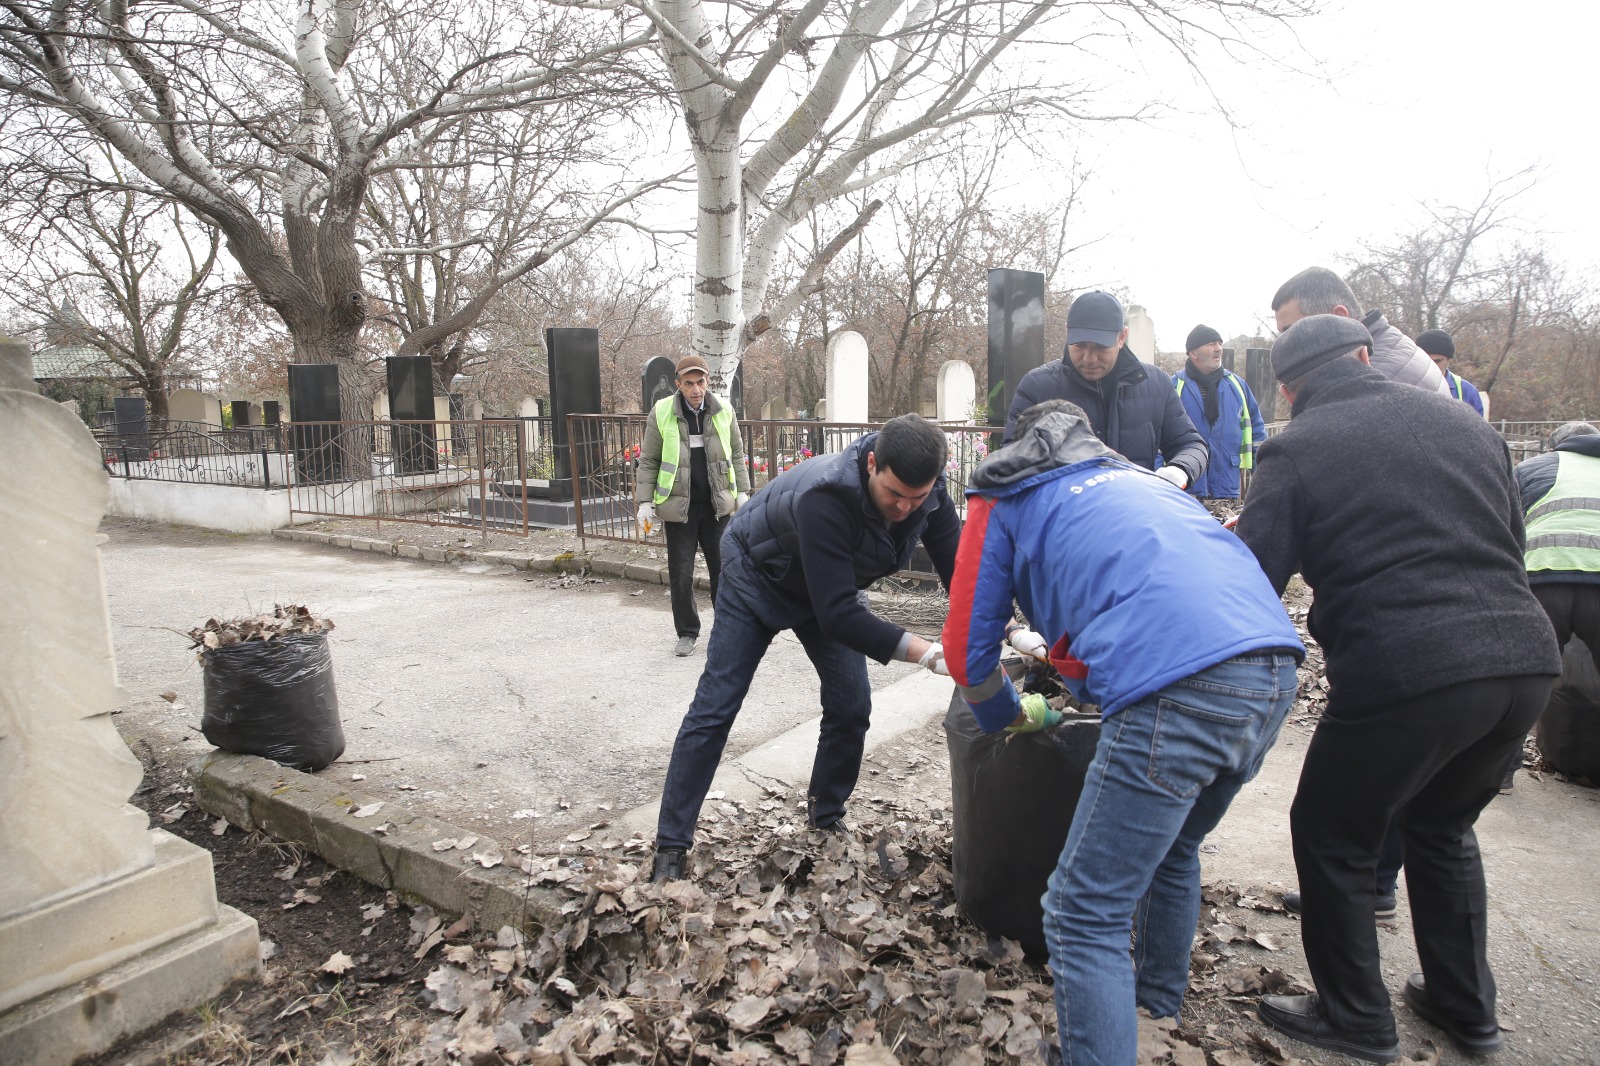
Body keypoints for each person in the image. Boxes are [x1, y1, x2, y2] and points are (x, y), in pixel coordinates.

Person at [1237, 314, 1559, 1063]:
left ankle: (1355, 1017)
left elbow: (1254, 577)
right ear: (1363, 355)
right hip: (1524, 658)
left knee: (1333, 832)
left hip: (1409, 668)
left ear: (1288, 388)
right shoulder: (1470, 426)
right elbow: (1507, 542)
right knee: (1442, 827)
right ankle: (1465, 1008)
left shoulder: (1297, 447)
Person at [942, 398, 1303, 1066]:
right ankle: (1154, 1010)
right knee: (1174, 847)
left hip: (1178, 686)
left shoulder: (1008, 495)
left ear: (1019, 447)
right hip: (1274, 673)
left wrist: (1005, 719)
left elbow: (965, 650)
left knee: (1082, 914)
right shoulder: (1138, 482)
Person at [650, 414, 961, 881]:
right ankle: (670, 848)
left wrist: (1003, 628)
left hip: (830, 584)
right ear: (873, 463)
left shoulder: (928, 496)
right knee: (717, 706)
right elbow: (838, 615)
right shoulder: (828, 494)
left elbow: (961, 573)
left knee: (851, 705)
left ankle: (825, 816)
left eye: (915, 497)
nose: (903, 507)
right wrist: (930, 654)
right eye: (894, 493)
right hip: (757, 576)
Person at [1003, 290, 1208, 488]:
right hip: (1063, 516)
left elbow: (1191, 445)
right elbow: (1012, 458)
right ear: (1068, 332)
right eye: (1080, 346)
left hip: (1133, 512)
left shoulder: (1156, 384)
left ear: (1122, 337)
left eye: (1101, 348)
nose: (1089, 358)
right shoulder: (1038, 386)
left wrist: (1180, 469)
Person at [635, 356, 751, 656]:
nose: (696, 389)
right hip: (678, 508)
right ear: (678, 385)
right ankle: (687, 632)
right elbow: (649, 460)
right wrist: (645, 502)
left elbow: (737, 453)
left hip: (717, 507)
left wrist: (743, 493)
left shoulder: (723, 410)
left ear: (707, 381)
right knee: (681, 573)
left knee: (723, 572)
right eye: (689, 383)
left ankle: (727, 631)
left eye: (700, 382)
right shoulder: (662, 412)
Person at [1509, 420, 1600, 789]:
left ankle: (1500, 772)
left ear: (1553, 446)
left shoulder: (1531, 469)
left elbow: (1505, 525)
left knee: (1524, 678)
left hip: (1544, 581)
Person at [1271, 267, 1448, 395]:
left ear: (1339, 317)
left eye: (1293, 330)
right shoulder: (1393, 347)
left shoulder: (1369, 380)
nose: (1287, 343)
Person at [1173, 324, 1268, 501]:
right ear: (1193, 353)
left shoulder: (1237, 386)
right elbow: (1156, 437)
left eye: (1219, 343)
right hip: (1185, 490)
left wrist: (1266, 474)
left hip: (1226, 487)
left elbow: (1257, 433)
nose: (1218, 349)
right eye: (1210, 344)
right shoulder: (1174, 387)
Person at [1416, 328, 1488, 418]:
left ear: (1449, 359)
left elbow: (1479, 430)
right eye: (1427, 360)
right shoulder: (1408, 385)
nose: (1432, 366)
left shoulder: (1467, 391)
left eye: (1437, 361)